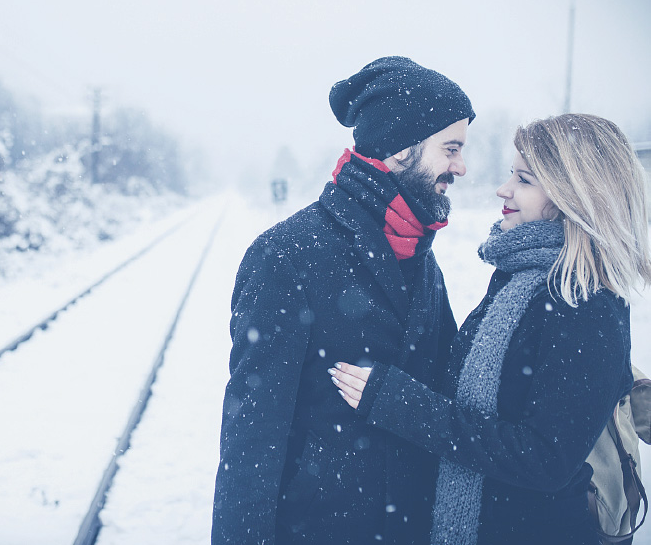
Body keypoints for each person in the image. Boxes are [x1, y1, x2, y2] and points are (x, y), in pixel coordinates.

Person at [331, 113, 651, 544]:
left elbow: (546, 460)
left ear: (573, 196)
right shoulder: (523, 277)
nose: (504, 189)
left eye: (524, 179)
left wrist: (404, 406)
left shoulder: (585, 304)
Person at [212, 56, 476, 544]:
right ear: (402, 148)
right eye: (451, 149)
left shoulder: (419, 256)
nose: (461, 166)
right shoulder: (286, 256)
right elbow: (253, 439)